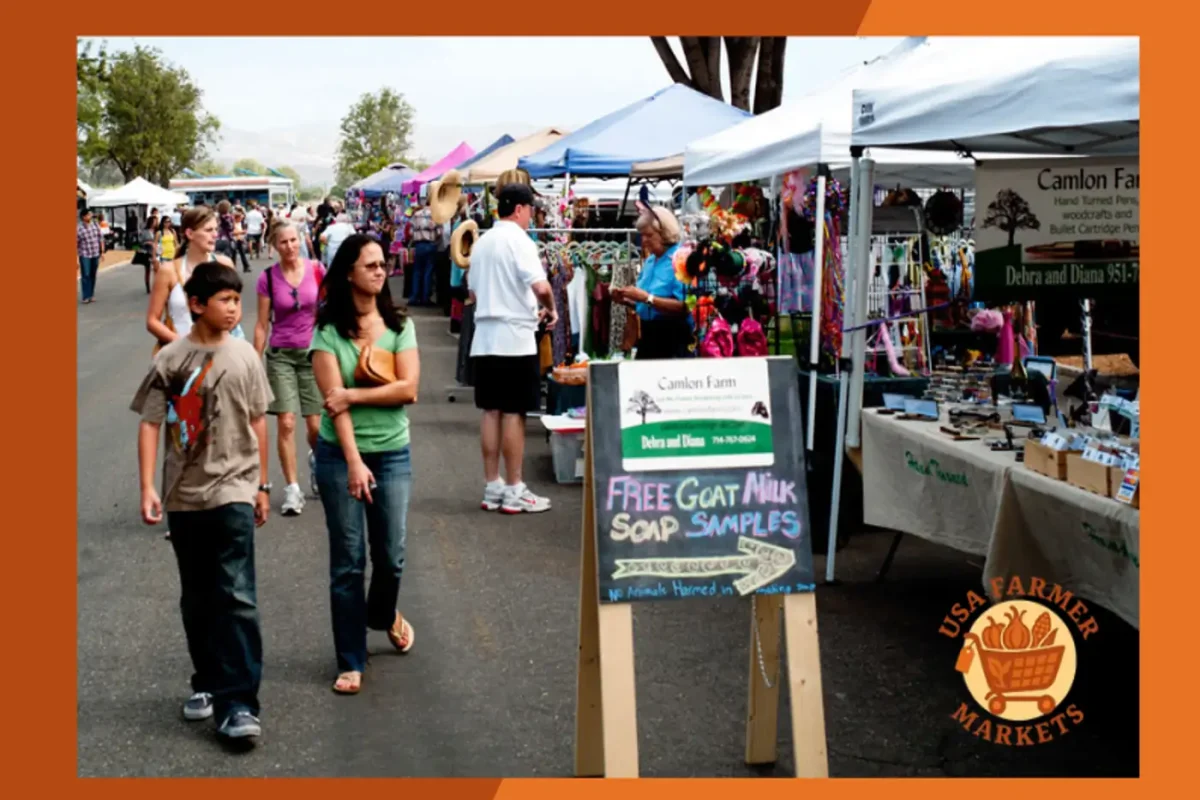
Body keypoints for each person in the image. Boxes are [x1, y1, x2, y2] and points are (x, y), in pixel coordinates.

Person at [130, 261, 272, 745]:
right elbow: (151, 422)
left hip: (234, 487)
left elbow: (258, 420)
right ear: (195, 305)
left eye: (238, 300)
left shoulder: (247, 357)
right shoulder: (170, 359)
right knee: (198, 597)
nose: (235, 308)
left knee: (235, 594)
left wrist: (262, 485)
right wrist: (148, 486)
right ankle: (208, 682)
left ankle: (239, 704)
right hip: (184, 494)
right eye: (225, 301)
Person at [310, 233, 420, 695]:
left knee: (390, 557)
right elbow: (335, 409)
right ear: (349, 272)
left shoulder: (399, 324)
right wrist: (354, 462)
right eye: (370, 264)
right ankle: (351, 659)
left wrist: (354, 392)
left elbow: (409, 389)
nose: (380, 270)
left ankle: (381, 614)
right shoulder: (327, 332)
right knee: (348, 562)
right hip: (340, 456)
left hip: (393, 452)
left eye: (382, 264)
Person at [468, 182, 557, 514]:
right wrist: (550, 306)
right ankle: (515, 487)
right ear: (519, 209)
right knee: (514, 413)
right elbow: (540, 284)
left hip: (485, 336)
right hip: (515, 337)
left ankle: (493, 485)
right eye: (530, 210)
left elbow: (473, 294)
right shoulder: (520, 241)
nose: (531, 217)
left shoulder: (482, 242)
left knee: (490, 411)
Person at [254, 221, 325, 515]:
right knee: (286, 422)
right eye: (283, 242)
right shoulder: (267, 278)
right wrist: (252, 363)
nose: (290, 247)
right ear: (274, 245)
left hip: (312, 354)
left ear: (301, 240)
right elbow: (261, 324)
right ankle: (292, 489)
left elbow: (330, 311)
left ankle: (317, 460)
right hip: (281, 353)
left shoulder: (317, 270)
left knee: (316, 426)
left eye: (294, 240)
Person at [148, 206, 241, 349]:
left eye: (216, 229)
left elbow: (236, 309)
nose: (215, 235)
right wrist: (182, 345)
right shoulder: (169, 270)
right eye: (209, 230)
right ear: (190, 233)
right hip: (181, 357)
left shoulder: (225, 264)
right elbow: (152, 320)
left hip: (220, 352)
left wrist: (218, 340)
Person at [612, 206, 691, 360]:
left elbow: (685, 307)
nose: (644, 241)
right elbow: (648, 304)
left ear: (665, 234)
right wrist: (626, 300)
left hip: (672, 338)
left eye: (649, 235)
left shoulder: (681, 259)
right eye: (642, 235)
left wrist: (645, 297)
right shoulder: (650, 261)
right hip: (649, 337)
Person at [408, 202, 440, 307]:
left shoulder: (416, 214)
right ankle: (425, 298)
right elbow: (439, 232)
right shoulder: (435, 215)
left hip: (419, 245)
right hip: (430, 245)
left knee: (416, 272)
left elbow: (410, 232)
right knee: (428, 272)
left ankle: (414, 297)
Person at [77, 208, 105, 305]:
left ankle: (91, 295)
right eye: (88, 215)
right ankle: (85, 296)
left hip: (95, 253)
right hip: (85, 254)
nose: (90, 216)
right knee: (86, 275)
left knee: (93, 274)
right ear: (83, 217)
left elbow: (100, 238)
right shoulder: (79, 229)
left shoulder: (95, 225)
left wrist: (102, 252)